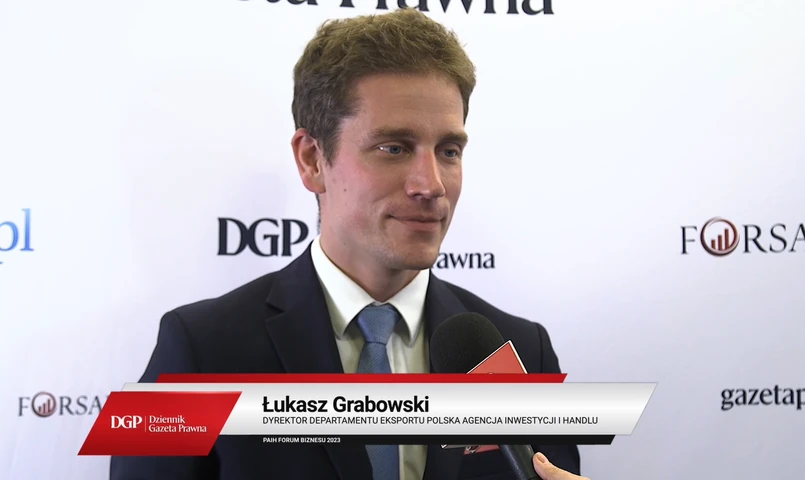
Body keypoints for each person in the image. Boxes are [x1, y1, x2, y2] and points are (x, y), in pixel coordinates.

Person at [110, 7, 587, 480]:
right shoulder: (200, 350)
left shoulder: (523, 352)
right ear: (313, 160)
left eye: (448, 151)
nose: (431, 184)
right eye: (393, 148)